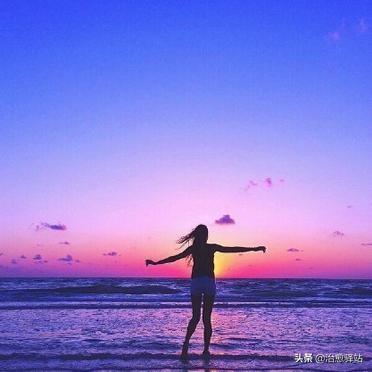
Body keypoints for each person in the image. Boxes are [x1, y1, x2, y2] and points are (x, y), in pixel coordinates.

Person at [145, 224, 266, 359]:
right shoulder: (211, 247)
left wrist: (156, 263)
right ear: (206, 235)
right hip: (208, 282)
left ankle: (186, 344)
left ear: (196, 235)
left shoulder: (193, 249)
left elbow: (174, 257)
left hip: (196, 282)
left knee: (195, 317)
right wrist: (254, 249)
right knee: (206, 319)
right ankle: (206, 350)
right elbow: (232, 249)